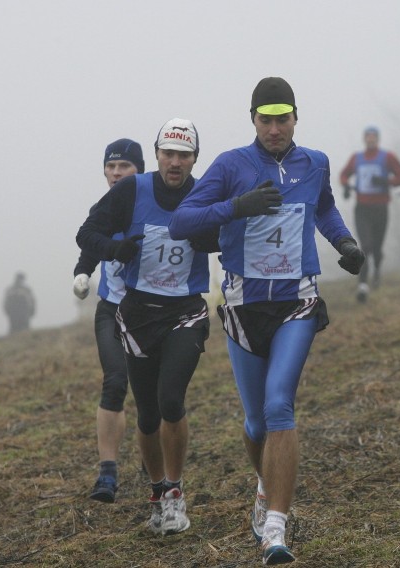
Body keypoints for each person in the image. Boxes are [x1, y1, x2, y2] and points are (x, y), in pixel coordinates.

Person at [169, 77, 365, 565]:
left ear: (296, 118)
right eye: (265, 120)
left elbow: (323, 207)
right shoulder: (232, 165)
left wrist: (344, 243)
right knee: (256, 422)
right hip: (242, 305)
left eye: (283, 119)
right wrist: (238, 206)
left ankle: (275, 528)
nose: (275, 128)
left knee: (280, 407)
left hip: (297, 300)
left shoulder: (314, 163)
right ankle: (265, 485)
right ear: (253, 120)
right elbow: (182, 221)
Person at [77, 118, 217, 536]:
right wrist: (114, 249)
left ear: (195, 158)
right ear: (157, 155)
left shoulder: (204, 192)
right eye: (169, 154)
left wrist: (209, 240)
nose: (175, 163)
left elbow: (227, 236)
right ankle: (156, 492)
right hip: (137, 315)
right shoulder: (132, 191)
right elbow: (87, 233)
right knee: (148, 415)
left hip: (186, 313)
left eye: (184, 155)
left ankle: (175, 491)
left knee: (171, 399)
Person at [72, 138, 145, 506]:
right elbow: (91, 245)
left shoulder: (152, 205)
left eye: (125, 167)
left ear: (139, 171)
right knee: (115, 381)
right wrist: (82, 273)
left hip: (150, 312)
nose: (116, 173)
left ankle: (155, 459)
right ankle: (108, 472)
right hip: (111, 309)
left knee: (154, 393)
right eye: (111, 167)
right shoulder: (100, 209)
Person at [338, 125, 400, 303]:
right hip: (362, 208)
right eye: (367, 136)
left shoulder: (387, 157)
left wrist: (386, 181)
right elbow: (343, 175)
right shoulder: (357, 158)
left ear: (378, 139)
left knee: (377, 247)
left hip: (381, 208)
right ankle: (362, 285)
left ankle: (376, 271)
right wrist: (346, 185)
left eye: (373, 137)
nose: (370, 139)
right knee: (365, 245)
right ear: (364, 139)